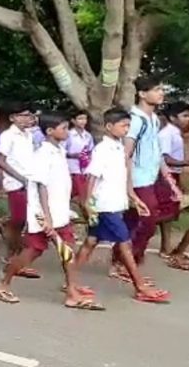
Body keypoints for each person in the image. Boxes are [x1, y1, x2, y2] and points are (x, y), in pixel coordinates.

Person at [0, 114, 103, 310]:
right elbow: (41, 186)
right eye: (63, 128)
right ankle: (3, 284)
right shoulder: (43, 153)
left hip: (58, 212)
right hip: (45, 214)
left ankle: (72, 292)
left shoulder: (57, 150)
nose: (67, 132)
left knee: (67, 249)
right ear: (50, 131)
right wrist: (47, 218)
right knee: (33, 251)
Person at [74, 107, 170, 303]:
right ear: (109, 126)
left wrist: (134, 197)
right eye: (123, 125)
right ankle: (140, 286)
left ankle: (71, 279)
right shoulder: (103, 149)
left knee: (91, 242)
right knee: (125, 243)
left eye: (128, 126)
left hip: (115, 203)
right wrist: (88, 203)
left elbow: (124, 176)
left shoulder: (120, 148)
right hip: (104, 206)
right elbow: (92, 177)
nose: (126, 129)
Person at [113, 76, 178, 284]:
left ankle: (119, 262)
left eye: (162, 89)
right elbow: (127, 153)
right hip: (137, 178)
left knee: (132, 220)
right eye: (156, 89)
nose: (161, 93)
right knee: (148, 221)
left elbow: (156, 151)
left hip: (150, 176)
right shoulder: (135, 119)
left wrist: (168, 178)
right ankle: (128, 262)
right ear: (142, 94)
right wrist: (128, 186)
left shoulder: (155, 119)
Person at [0, 103, 40, 278]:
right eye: (21, 115)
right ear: (12, 118)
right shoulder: (8, 136)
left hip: (29, 182)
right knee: (19, 220)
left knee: (24, 221)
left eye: (28, 115)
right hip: (16, 183)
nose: (26, 119)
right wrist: (19, 177)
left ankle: (14, 254)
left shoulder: (29, 135)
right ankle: (12, 257)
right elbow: (0, 160)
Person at [156, 101, 189, 270]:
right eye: (184, 116)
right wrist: (188, 162)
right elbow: (163, 159)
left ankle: (169, 249)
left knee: (170, 211)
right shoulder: (167, 134)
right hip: (167, 174)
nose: (188, 119)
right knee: (166, 211)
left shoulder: (177, 133)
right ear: (172, 117)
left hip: (175, 173)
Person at [65, 110, 94, 202]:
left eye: (85, 118)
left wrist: (87, 156)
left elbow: (91, 150)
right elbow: (61, 151)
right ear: (73, 121)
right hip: (72, 169)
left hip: (85, 169)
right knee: (76, 195)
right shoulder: (68, 134)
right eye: (80, 119)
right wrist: (73, 155)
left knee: (85, 194)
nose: (83, 121)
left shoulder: (88, 135)